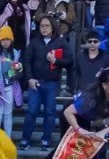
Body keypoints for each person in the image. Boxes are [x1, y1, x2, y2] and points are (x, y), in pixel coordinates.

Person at [22, 67, 109, 159]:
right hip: (71, 117)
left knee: (88, 148)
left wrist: (103, 132)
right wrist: (78, 129)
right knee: (65, 147)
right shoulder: (90, 98)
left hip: (85, 119)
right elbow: (68, 112)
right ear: (104, 85)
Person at [19, 15, 70, 150]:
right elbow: (27, 61)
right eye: (42, 26)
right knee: (32, 111)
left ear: (53, 27)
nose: (44, 28)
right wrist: (29, 78)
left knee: (49, 112)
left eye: (47, 26)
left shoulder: (60, 42)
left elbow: (70, 61)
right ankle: (25, 139)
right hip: (35, 82)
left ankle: (46, 140)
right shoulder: (34, 42)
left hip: (52, 83)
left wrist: (55, 61)